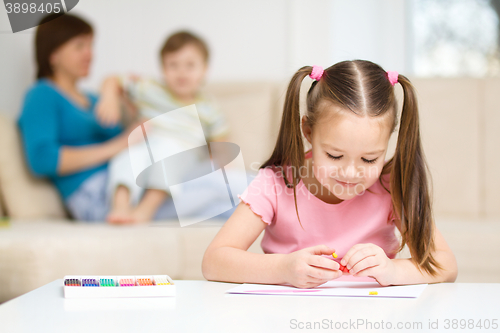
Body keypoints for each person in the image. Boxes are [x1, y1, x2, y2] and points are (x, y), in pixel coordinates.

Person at [202, 60, 458, 288]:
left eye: (369, 159)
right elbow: (214, 260)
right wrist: (283, 268)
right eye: (335, 156)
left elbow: (445, 264)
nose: (350, 172)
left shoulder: (392, 186)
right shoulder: (275, 183)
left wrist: (393, 270)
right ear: (309, 132)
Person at [96, 31, 231, 224]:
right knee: (126, 155)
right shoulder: (149, 88)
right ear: (163, 68)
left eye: (190, 65)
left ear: (204, 70)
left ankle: (145, 209)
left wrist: (219, 164)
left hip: (183, 151)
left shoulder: (208, 107)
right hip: (146, 143)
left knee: (168, 154)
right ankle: (121, 205)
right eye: (173, 65)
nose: (181, 72)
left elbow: (221, 143)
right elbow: (113, 79)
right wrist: (108, 96)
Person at [18, 13, 137, 222]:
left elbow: (130, 142)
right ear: (53, 54)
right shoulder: (42, 94)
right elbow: (42, 159)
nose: (90, 54)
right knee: (209, 193)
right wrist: (118, 146)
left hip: (123, 179)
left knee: (206, 187)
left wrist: (117, 95)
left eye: (91, 45)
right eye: (80, 46)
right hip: (93, 192)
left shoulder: (93, 99)